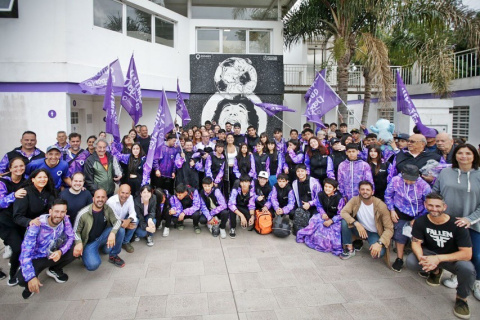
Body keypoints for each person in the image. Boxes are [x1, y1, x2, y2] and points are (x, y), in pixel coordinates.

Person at [406, 193, 476, 320]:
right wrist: (423, 259)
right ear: (425, 205)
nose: (434, 209)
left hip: (451, 258)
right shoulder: (420, 222)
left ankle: (462, 299)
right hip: (430, 254)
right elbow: (416, 243)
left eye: (438, 206)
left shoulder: (457, 225)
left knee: (467, 268)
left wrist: (438, 259)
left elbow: (467, 254)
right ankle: (435, 271)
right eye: (430, 205)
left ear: (444, 207)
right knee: (411, 261)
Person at [433, 144, 480, 299]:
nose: (464, 156)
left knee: (476, 255)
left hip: (472, 223)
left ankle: (477, 281)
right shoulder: (445, 173)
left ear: (474, 156)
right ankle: (457, 275)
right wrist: (438, 213)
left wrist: (470, 219)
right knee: (452, 251)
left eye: (468, 153)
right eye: (460, 153)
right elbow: (436, 192)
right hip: (448, 221)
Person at [16, 199, 76, 299]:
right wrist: (31, 277)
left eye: (62, 212)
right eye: (56, 211)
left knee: (75, 249)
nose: (59, 215)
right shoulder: (37, 225)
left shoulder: (65, 219)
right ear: (50, 211)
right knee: (22, 279)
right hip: (37, 257)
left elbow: (71, 237)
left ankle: (54, 269)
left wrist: (61, 251)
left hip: (53, 253)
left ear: (65, 212)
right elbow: (25, 253)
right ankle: (29, 286)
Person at [11, 169, 56, 285]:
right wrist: (30, 222)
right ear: (33, 179)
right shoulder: (25, 193)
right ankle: (17, 274)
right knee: (23, 252)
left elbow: (51, 207)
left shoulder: (47, 192)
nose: (42, 180)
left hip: (42, 227)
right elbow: (17, 217)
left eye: (45, 177)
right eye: (39, 177)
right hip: (25, 227)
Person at [384, 164, 432, 272]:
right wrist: (391, 210)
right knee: (399, 235)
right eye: (407, 179)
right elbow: (388, 195)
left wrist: (418, 218)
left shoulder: (424, 186)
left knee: (418, 238)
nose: (409, 182)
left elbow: (428, 203)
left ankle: (421, 261)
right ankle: (399, 259)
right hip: (400, 211)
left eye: (412, 180)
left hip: (418, 213)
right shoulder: (395, 180)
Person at [340, 180, 393, 264]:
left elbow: (389, 229)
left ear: (372, 192)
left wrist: (379, 243)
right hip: (361, 229)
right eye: (362, 189)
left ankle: (364, 241)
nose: (365, 192)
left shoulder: (381, 206)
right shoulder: (355, 200)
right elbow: (343, 212)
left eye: (368, 190)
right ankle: (349, 248)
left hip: (374, 233)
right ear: (359, 191)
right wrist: (356, 223)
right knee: (344, 222)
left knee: (377, 255)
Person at [73, 189, 126, 270]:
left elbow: (117, 221)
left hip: (102, 237)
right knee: (93, 265)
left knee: (121, 230)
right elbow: (75, 231)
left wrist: (112, 233)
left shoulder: (107, 208)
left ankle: (113, 256)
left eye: (103, 197)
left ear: (106, 199)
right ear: (93, 199)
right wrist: (79, 243)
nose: (100, 199)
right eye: (98, 197)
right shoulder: (83, 213)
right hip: (89, 243)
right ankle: (89, 254)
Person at [297, 178, 346, 256]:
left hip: (335, 219)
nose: (327, 188)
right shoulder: (320, 194)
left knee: (333, 231)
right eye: (326, 186)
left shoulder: (339, 199)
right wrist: (323, 214)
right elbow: (318, 205)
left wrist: (331, 221)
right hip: (324, 216)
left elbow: (342, 214)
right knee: (315, 221)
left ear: (334, 189)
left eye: (330, 187)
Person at [0, 157, 27, 285]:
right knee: (18, 247)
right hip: (5, 222)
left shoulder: (26, 181)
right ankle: (13, 274)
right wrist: (13, 195)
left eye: (21, 166)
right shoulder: (3, 182)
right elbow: (0, 202)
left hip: (20, 220)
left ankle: (19, 263)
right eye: (15, 166)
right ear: (10, 168)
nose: (19, 169)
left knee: (22, 246)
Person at [106, 184, 138, 253]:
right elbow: (112, 218)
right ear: (118, 192)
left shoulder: (130, 198)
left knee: (135, 221)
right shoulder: (111, 202)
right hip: (112, 223)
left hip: (123, 220)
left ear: (130, 193)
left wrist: (128, 220)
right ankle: (118, 242)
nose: (124, 195)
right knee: (121, 230)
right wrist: (124, 223)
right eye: (122, 192)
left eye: (127, 193)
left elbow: (133, 212)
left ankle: (125, 242)